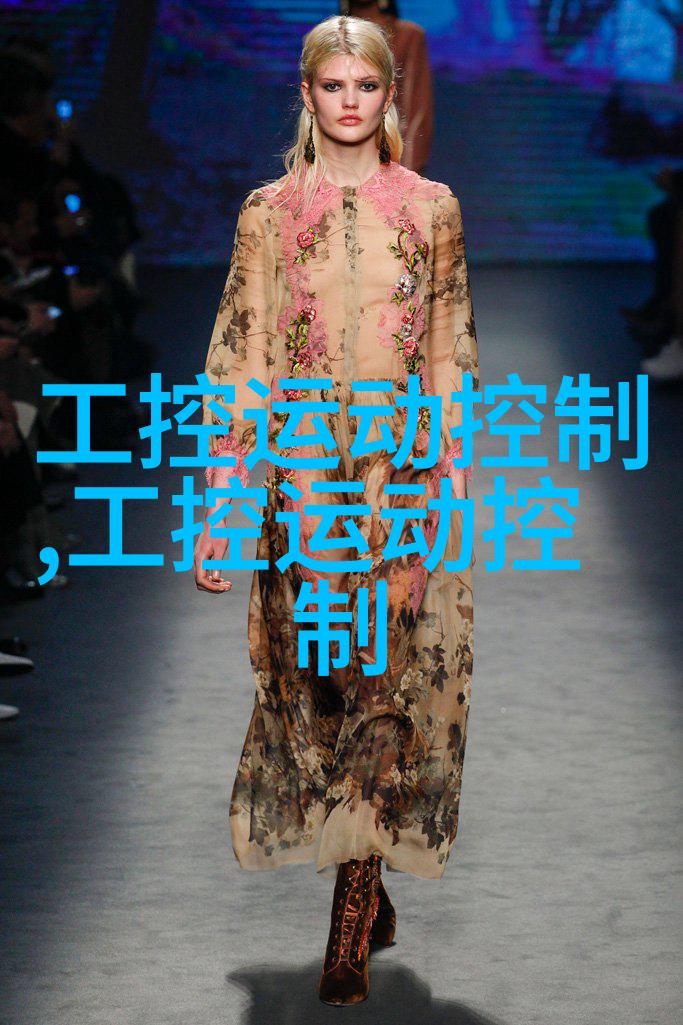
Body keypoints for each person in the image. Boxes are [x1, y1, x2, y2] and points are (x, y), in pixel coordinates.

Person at [193, 15, 479, 1006]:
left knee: (386, 686)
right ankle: (367, 863)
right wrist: (224, 500)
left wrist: (447, 476)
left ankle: (350, 915)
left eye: (366, 85)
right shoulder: (269, 213)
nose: (350, 102)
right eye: (332, 86)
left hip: (399, 480)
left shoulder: (430, 207)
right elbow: (242, 353)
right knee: (315, 687)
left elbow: (448, 346)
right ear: (306, 94)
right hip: (302, 480)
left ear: (388, 95)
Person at [341, 0, 434, 173]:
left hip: (390, 157)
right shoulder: (326, 39)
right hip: (338, 160)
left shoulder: (407, 36)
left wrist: (408, 173)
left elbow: (415, 109)